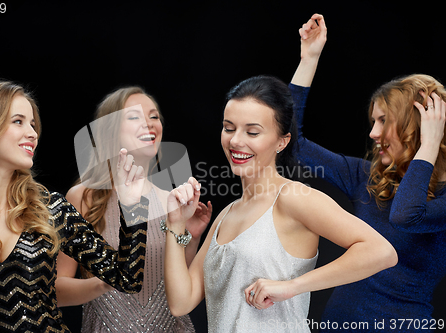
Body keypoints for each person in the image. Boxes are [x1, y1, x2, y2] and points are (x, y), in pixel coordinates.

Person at [162, 69, 398, 331]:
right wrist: (176, 224)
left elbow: (382, 252)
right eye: (229, 128)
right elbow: (181, 303)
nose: (236, 140)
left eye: (253, 132)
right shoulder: (225, 214)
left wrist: (291, 287)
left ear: (282, 142)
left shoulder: (293, 198)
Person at [0, 81, 149, 333]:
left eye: (33, 124)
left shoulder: (51, 208)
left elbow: (127, 279)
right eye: (18, 121)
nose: (33, 133)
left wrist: (133, 209)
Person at [291, 14, 446, 331]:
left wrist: (428, 146)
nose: (373, 133)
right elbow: (292, 144)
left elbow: (405, 215)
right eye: (373, 121)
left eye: (383, 121)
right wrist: (309, 59)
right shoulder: (365, 175)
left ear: (416, 127)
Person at [55, 87, 211, 332]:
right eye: (134, 116)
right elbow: (56, 290)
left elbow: (175, 291)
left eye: (154, 116)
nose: (149, 124)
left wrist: (191, 237)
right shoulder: (84, 197)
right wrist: (109, 281)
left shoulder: (171, 199)